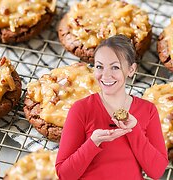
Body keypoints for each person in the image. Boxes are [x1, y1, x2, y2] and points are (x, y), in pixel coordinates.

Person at [55, 34, 168, 180]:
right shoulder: (81, 109)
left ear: (131, 69)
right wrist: (93, 142)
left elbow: (157, 171)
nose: (106, 75)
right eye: (99, 66)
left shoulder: (148, 110)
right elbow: (64, 174)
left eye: (115, 67)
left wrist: (134, 130)